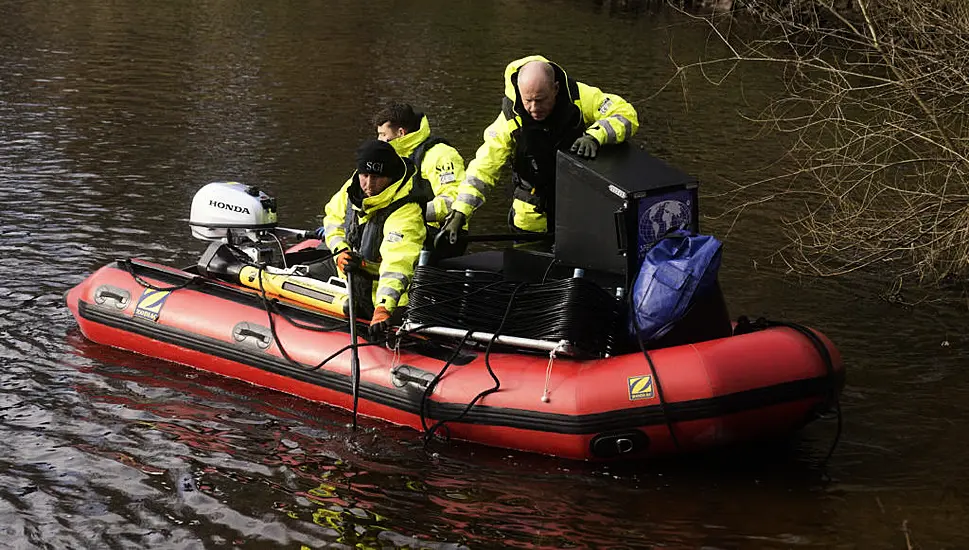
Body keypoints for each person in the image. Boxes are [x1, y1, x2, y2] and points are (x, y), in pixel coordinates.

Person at [441, 54, 639, 240]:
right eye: (528, 101)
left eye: (540, 100)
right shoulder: (508, 120)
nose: (534, 108)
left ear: (555, 88)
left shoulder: (578, 97)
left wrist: (595, 136)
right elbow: (483, 169)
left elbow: (625, 114)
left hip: (579, 205)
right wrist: (460, 212)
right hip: (531, 213)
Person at [314, 139, 426, 335]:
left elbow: (397, 263)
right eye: (364, 176)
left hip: (384, 291)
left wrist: (384, 306)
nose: (369, 184)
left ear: (390, 177)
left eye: (376, 177)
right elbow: (333, 220)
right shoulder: (352, 187)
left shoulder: (406, 210)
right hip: (347, 274)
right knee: (301, 275)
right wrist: (340, 251)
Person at [373, 103, 468, 258]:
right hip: (402, 228)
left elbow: (455, 201)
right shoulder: (392, 156)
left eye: (383, 134)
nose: (379, 140)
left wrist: (406, 212)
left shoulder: (440, 155)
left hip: (438, 235)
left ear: (401, 132)